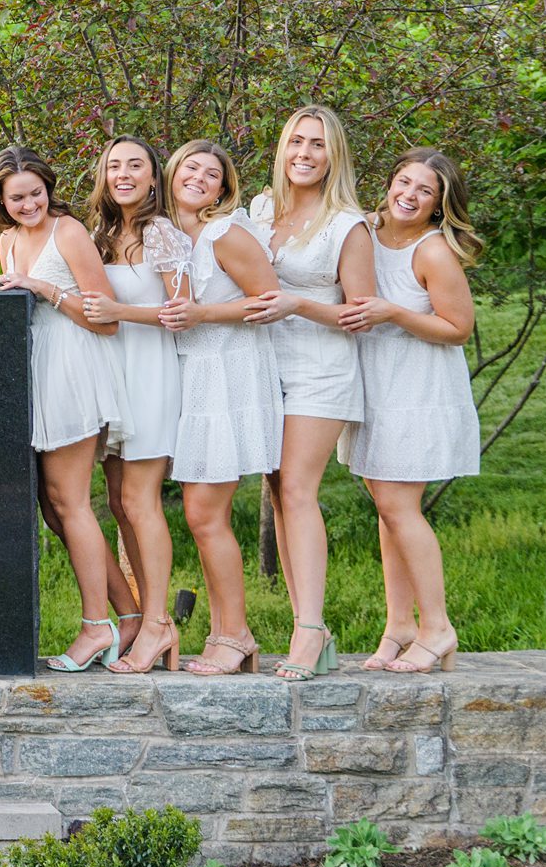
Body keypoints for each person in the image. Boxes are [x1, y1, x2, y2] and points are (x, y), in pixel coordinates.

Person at [0, 148, 126, 673]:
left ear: (48, 188)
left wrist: (44, 287)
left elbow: (106, 318)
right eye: (16, 197)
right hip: (35, 370)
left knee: (71, 501)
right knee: (51, 504)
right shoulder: (7, 240)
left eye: (36, 193)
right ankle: (126, 617)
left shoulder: (68, 233)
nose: (28, 204)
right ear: (0, 199)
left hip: (72, 368)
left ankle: (95, 627)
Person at [339, 149, 484, 673]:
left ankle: (437, 627)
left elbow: (458, 328)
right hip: (374, 387)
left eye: (425, 191)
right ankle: (399, 625)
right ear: (390, 182)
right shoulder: (364, 230)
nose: (410, 194)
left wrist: (395, 312)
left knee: (400, 508)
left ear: (440, 206)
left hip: (418, 390)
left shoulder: (433, 252)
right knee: (387, 510)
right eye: (405, 181)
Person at [245, 106, 375, 681]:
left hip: (321, 367)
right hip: (263, 363)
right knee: (276, 492)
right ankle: (310, 629)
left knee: (297, 489)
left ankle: (310, 628)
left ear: (333, 156)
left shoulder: (347, 225)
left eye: (317, 145)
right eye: (295, 141)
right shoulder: (260, 210)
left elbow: (363, 313)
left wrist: (299, 302)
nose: (304, 153)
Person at [160, 140, 285, 676]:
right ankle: (225, 633)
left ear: (224, 188)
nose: (200, 178)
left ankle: (233, 633)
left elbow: (269, 300)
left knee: (205, 513)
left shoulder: (223, 234)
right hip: (191, 374)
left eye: (213, 174)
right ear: (172, 174)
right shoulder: (165, 234)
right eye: (191, 167)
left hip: (225, 376)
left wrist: (203, 313)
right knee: (200, 515)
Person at [76, 137, 190, 674]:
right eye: (114, 165)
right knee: (118, 502)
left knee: (141, 501)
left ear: (152, 177)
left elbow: (181, 311)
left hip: (150, 373)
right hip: (111, 375)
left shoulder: (161, 232)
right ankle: (143, 617)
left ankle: (159, 623)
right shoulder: (99, 234)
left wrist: (120, 308)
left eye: (135, 166)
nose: (123, 174)